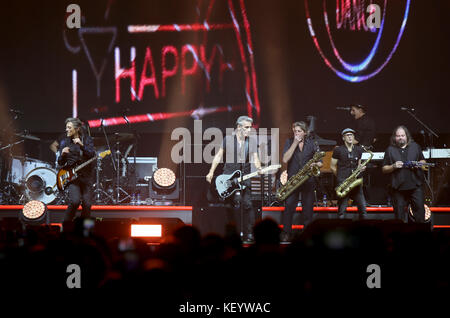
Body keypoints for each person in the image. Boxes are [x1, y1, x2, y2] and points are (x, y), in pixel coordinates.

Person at [206, 116, 262, 242]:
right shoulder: (228, 139)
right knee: (229, 206)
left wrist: (258, 167)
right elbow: (218, 155)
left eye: (250, 127)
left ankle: (250, 234)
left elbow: (255, 157)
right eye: (246, 127)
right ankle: (230, 235)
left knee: (247, 204)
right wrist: (211, 172)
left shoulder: (251, 142)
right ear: (238, 127)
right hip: (228, 177)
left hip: (245, 176)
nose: (249, 130)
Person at [281, 121, 322, 242]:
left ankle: (306, 233)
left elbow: (320, 162)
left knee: (308, 208)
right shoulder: (289, 142)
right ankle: (286, 233)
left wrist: (316, 164)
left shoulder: (312, 143)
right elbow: (285, 159)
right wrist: (294, 143)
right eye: (295, 131)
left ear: (305, 132)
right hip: (293, 180)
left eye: (299, 131)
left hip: (308, 179)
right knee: (289, 206)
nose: (296, 133)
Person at [382, 125, 427, 223]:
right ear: (394, 137)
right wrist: (393, 166)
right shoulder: (390, 150)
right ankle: (401, 237)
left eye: (402, 135)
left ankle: (422, 235)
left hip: (415, 186)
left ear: (407, 136)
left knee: (420, 215)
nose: (400, 137)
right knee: (399, 217)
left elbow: (423, 161)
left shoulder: (415, 146)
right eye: (398, 136)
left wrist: (419, 164)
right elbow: (384, 169)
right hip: (398, 188)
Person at [57, 118, 96, 221]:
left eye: (69, 127)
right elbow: (60, 162)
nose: (67, 130)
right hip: (72, 177)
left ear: (77, 129)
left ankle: (83, 229)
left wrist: (82, 146)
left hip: (86, 177)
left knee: (87, 204)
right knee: (75, 201)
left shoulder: (87, 139)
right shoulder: (64, 142)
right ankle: (66, 225)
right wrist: (62, 155)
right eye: (66, 127)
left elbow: (92, 155)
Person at [330, 128, 368, 219]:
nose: (350, 137)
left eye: (351, 135)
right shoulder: (338, 150)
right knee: (341, 212)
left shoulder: (359, 150)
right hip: (344, 183)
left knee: (363, 211)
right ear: (343, 138)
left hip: (356, 182)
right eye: (347, 135)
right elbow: (332, 166)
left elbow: (359, 164)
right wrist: (340, 177)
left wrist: (361, 168)